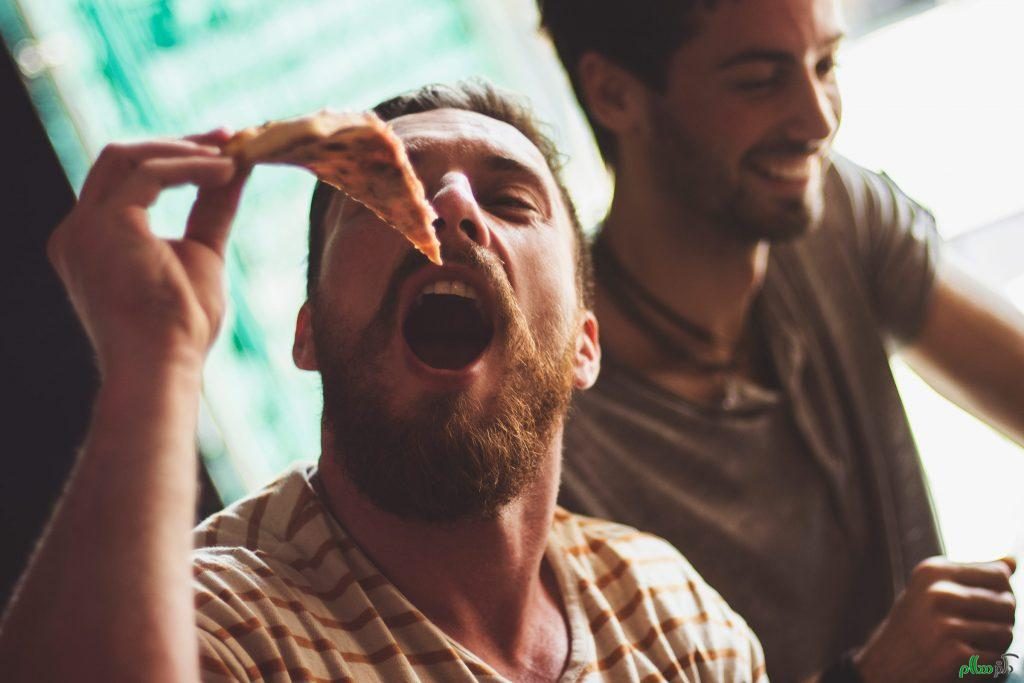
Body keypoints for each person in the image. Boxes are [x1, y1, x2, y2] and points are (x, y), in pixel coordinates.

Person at [0, 81, 768, 682]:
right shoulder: (220, 624)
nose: (451, 206)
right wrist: (154, 356)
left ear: (584, 347)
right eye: (382, 195)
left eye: (509, 201)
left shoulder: (672, 616)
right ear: (309, 333)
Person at [537, 0, 1024, 681]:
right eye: (759, 81)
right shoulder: (553, 431)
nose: (819, 121)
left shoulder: (834, 210)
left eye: (825, 65)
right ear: (615, 93)